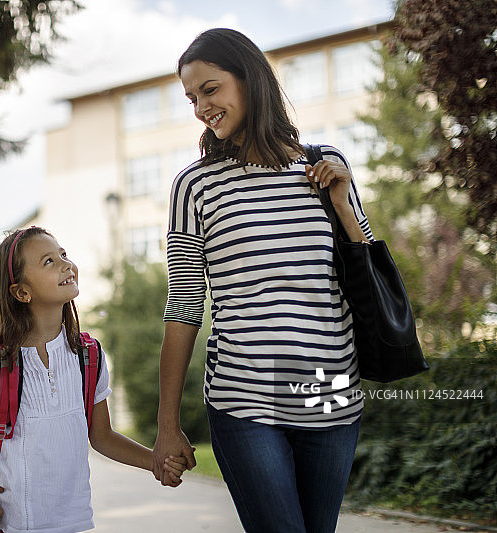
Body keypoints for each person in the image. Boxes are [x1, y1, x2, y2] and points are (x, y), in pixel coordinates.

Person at [151, 28, 374, 533]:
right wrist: (168, 424)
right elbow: (184, 305)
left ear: (250, 80)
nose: (201, 107)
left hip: (331, 393)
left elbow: (367, 276)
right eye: (192, 98)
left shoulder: (323, 165)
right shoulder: (195, 185)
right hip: (244, 398)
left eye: (210, 90)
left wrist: (342, 202)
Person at [0, 226, 187, 533]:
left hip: (73, 521)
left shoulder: (88, 356)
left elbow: (102, 436)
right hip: (12, 522)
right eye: (48, 262)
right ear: (22, 292)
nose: (66, 264)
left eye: (63, 254)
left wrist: (154, 462)